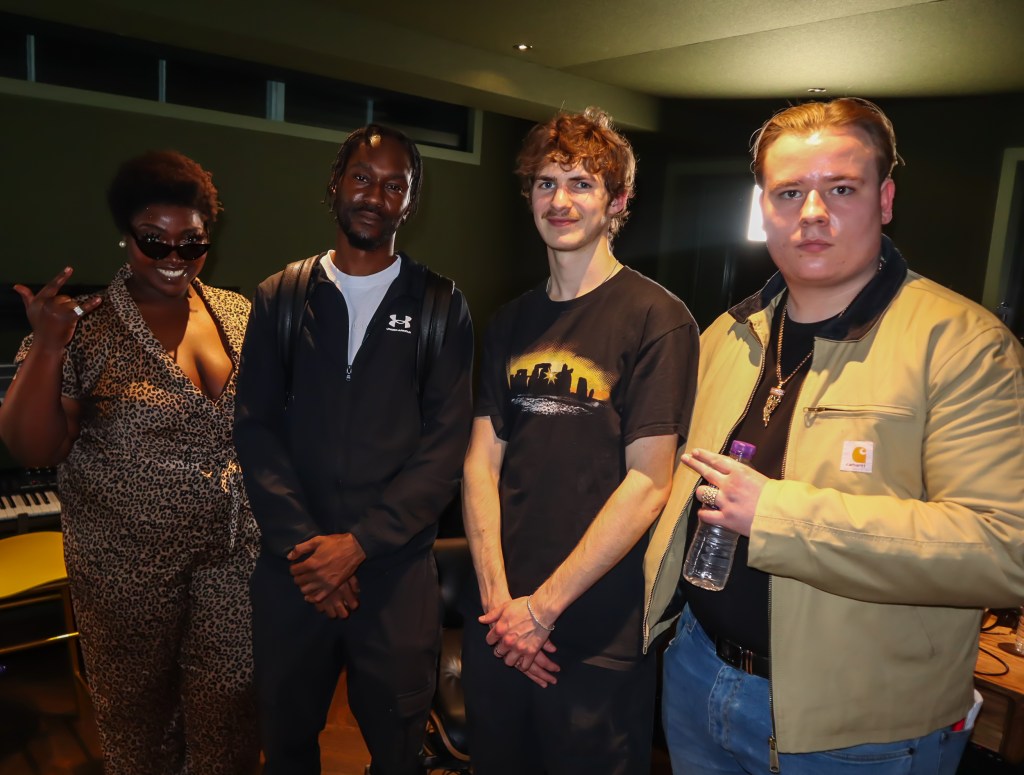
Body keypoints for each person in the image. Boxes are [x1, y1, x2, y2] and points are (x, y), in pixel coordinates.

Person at [645, 97, 1024, 774]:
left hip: (859, 728)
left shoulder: (964, 346)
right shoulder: (727, 334)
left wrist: (779, 515)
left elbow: (1006, 549)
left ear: (885, 200)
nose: (812, 212)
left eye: (841, 189)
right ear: (763, 209)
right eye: (789, 192)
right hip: (699, 677)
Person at [0, 151, 260, 774]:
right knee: (141, 726)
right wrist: (48, 346)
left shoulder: (238, 313)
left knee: (233, 710)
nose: (173, 257)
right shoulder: (84, 326)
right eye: (154, 240)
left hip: (233, 555)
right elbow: (34, 449)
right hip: (126, 568)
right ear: (126, 236)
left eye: (190, 242)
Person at [462, 107, 699, 774]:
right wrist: (501, 606)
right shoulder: (509, 321)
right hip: (500, 621)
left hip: (594, 632)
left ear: (617, 201)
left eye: (581, 183)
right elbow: (480, 464)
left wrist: (541, 611)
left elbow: (648, 482)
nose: (559, 200)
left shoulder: (658, 319)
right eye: (546, 183)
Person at [233, 124, 473, 775]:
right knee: (285, 747)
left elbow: (444, 449)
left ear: (410, 202)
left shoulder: (440, 305)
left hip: (395, 579)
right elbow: (255, 430)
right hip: (294, 573)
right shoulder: (281, 297)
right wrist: (310, 552)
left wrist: (359, 545)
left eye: (395, 185)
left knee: (398, 754)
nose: (375, 195)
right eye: (363, 178)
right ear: (336, 184)